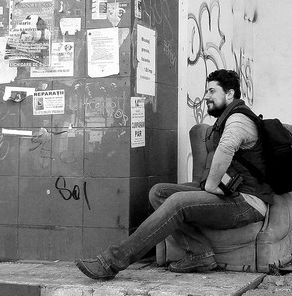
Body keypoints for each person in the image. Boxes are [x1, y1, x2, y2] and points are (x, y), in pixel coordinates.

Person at [75, 69, 274, 280]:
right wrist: (211, 185)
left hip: (247, 202)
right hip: (231, 193)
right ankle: (200, 254)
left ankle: (113, 261)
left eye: (212, 91)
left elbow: (225, 149)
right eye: (206, 91)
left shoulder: (238, 120)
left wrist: (210, 185)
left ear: (230, 93)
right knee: (158, 192)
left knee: (178, 203)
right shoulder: (228, 118)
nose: (206, 96)